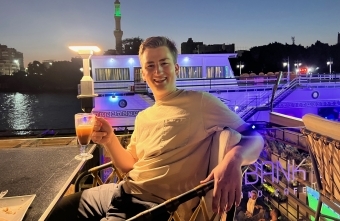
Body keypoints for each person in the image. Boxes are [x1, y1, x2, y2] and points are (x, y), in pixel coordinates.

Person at [47, 36, 264, 221]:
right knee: (54, 213)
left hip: (151, 206)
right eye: (150, 65)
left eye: (164, 63)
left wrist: (233, 159)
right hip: (121, 190)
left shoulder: (200, 102)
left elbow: (254, 136)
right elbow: (129, 165)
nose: (158, 71)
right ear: (143, 73)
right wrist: (109, 139)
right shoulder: (144, 116)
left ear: (176, 68)